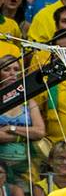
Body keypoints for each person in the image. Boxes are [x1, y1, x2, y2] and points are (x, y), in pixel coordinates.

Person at [0, 55, 46, 186]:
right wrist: (25, 136)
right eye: (6, 69)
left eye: (16, 69)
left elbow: (40, 131)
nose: (12, 73)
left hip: (25, 167)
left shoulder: (28, 101)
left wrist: (11, 129)